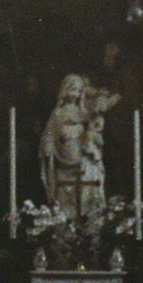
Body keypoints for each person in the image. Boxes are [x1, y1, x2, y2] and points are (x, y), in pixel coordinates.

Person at [38, 71, 120, 231]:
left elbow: (95, 128)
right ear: (65, 90)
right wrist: (48, 145)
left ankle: (91, 225)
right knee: (65, 206)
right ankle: (66, 229)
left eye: (78, 90)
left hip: (83, 160)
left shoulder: (83, 112)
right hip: (63, 162)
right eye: (72, 89)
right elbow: (48, 134)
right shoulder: (57, 114)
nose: (75, 93)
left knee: (92, 176)